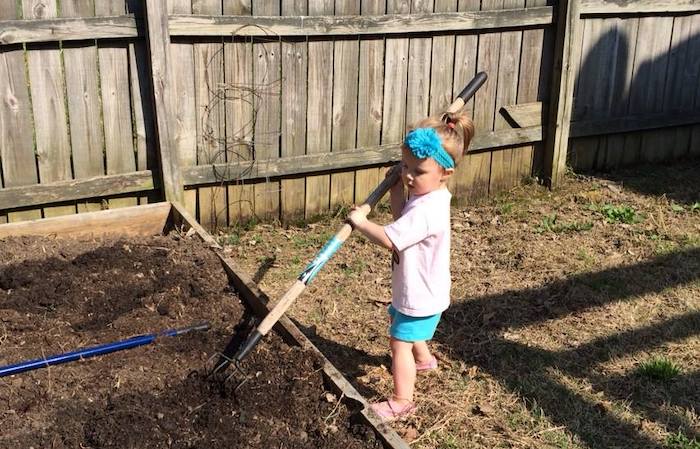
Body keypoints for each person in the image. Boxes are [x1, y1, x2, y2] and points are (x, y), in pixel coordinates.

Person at [347, 110, 474, 422]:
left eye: (417, 170)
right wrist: (394, 190)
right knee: (403, 321)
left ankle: (402, 401)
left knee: (398, 341)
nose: (408, 175)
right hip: (421, 289)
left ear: (445, 172)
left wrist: (361, 223)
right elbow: (403, 219)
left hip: (420, 293)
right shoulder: (432, 195)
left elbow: (391, 238)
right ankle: (425, 360)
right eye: (405, 166)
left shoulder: (427, 210)